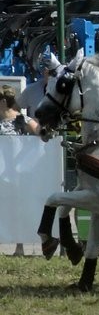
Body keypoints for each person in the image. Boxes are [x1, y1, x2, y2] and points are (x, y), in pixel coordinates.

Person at [0, 85, 40, 256]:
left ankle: (20, 246)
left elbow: (40, 132)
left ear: (2, 102)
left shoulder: (21, 119)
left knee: (18, 209)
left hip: (18, 175)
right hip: (1, 174)